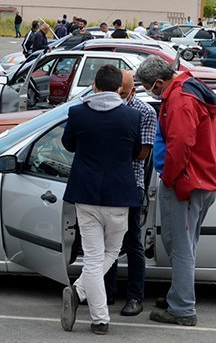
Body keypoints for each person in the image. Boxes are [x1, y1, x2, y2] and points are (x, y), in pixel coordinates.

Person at [136, 56, 216, 327]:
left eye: (149, 86)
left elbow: (180, 145)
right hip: (202, 180)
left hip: (188, 183)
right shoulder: (189, 88)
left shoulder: (180, 99)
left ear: (160, 82)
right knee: (184, 244)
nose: (149, 91)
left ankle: (183, 308)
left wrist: (171, 179)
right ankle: (178, 297)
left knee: (180, 247)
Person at [60, 65, 142, 335]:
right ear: (120, 89)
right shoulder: (131, 117)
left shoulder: (77, 112)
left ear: (94, 86)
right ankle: (94, 312)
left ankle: (90, 306)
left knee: (94, 257)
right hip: (119, 196)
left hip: (85, 193)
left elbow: (68, 145)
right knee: (111, 252)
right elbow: (133, 152)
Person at [103, 70, 157, 316]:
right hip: (107, 182)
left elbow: (143, 154)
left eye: (122, 93)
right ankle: (106, 291)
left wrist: (111, 150)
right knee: (107, 241)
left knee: (132, 241)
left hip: (131, 183)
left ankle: (135, 296)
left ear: (132, 91)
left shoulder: (144, 113)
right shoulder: (106, 107)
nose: (118, 96)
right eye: (116, 92)